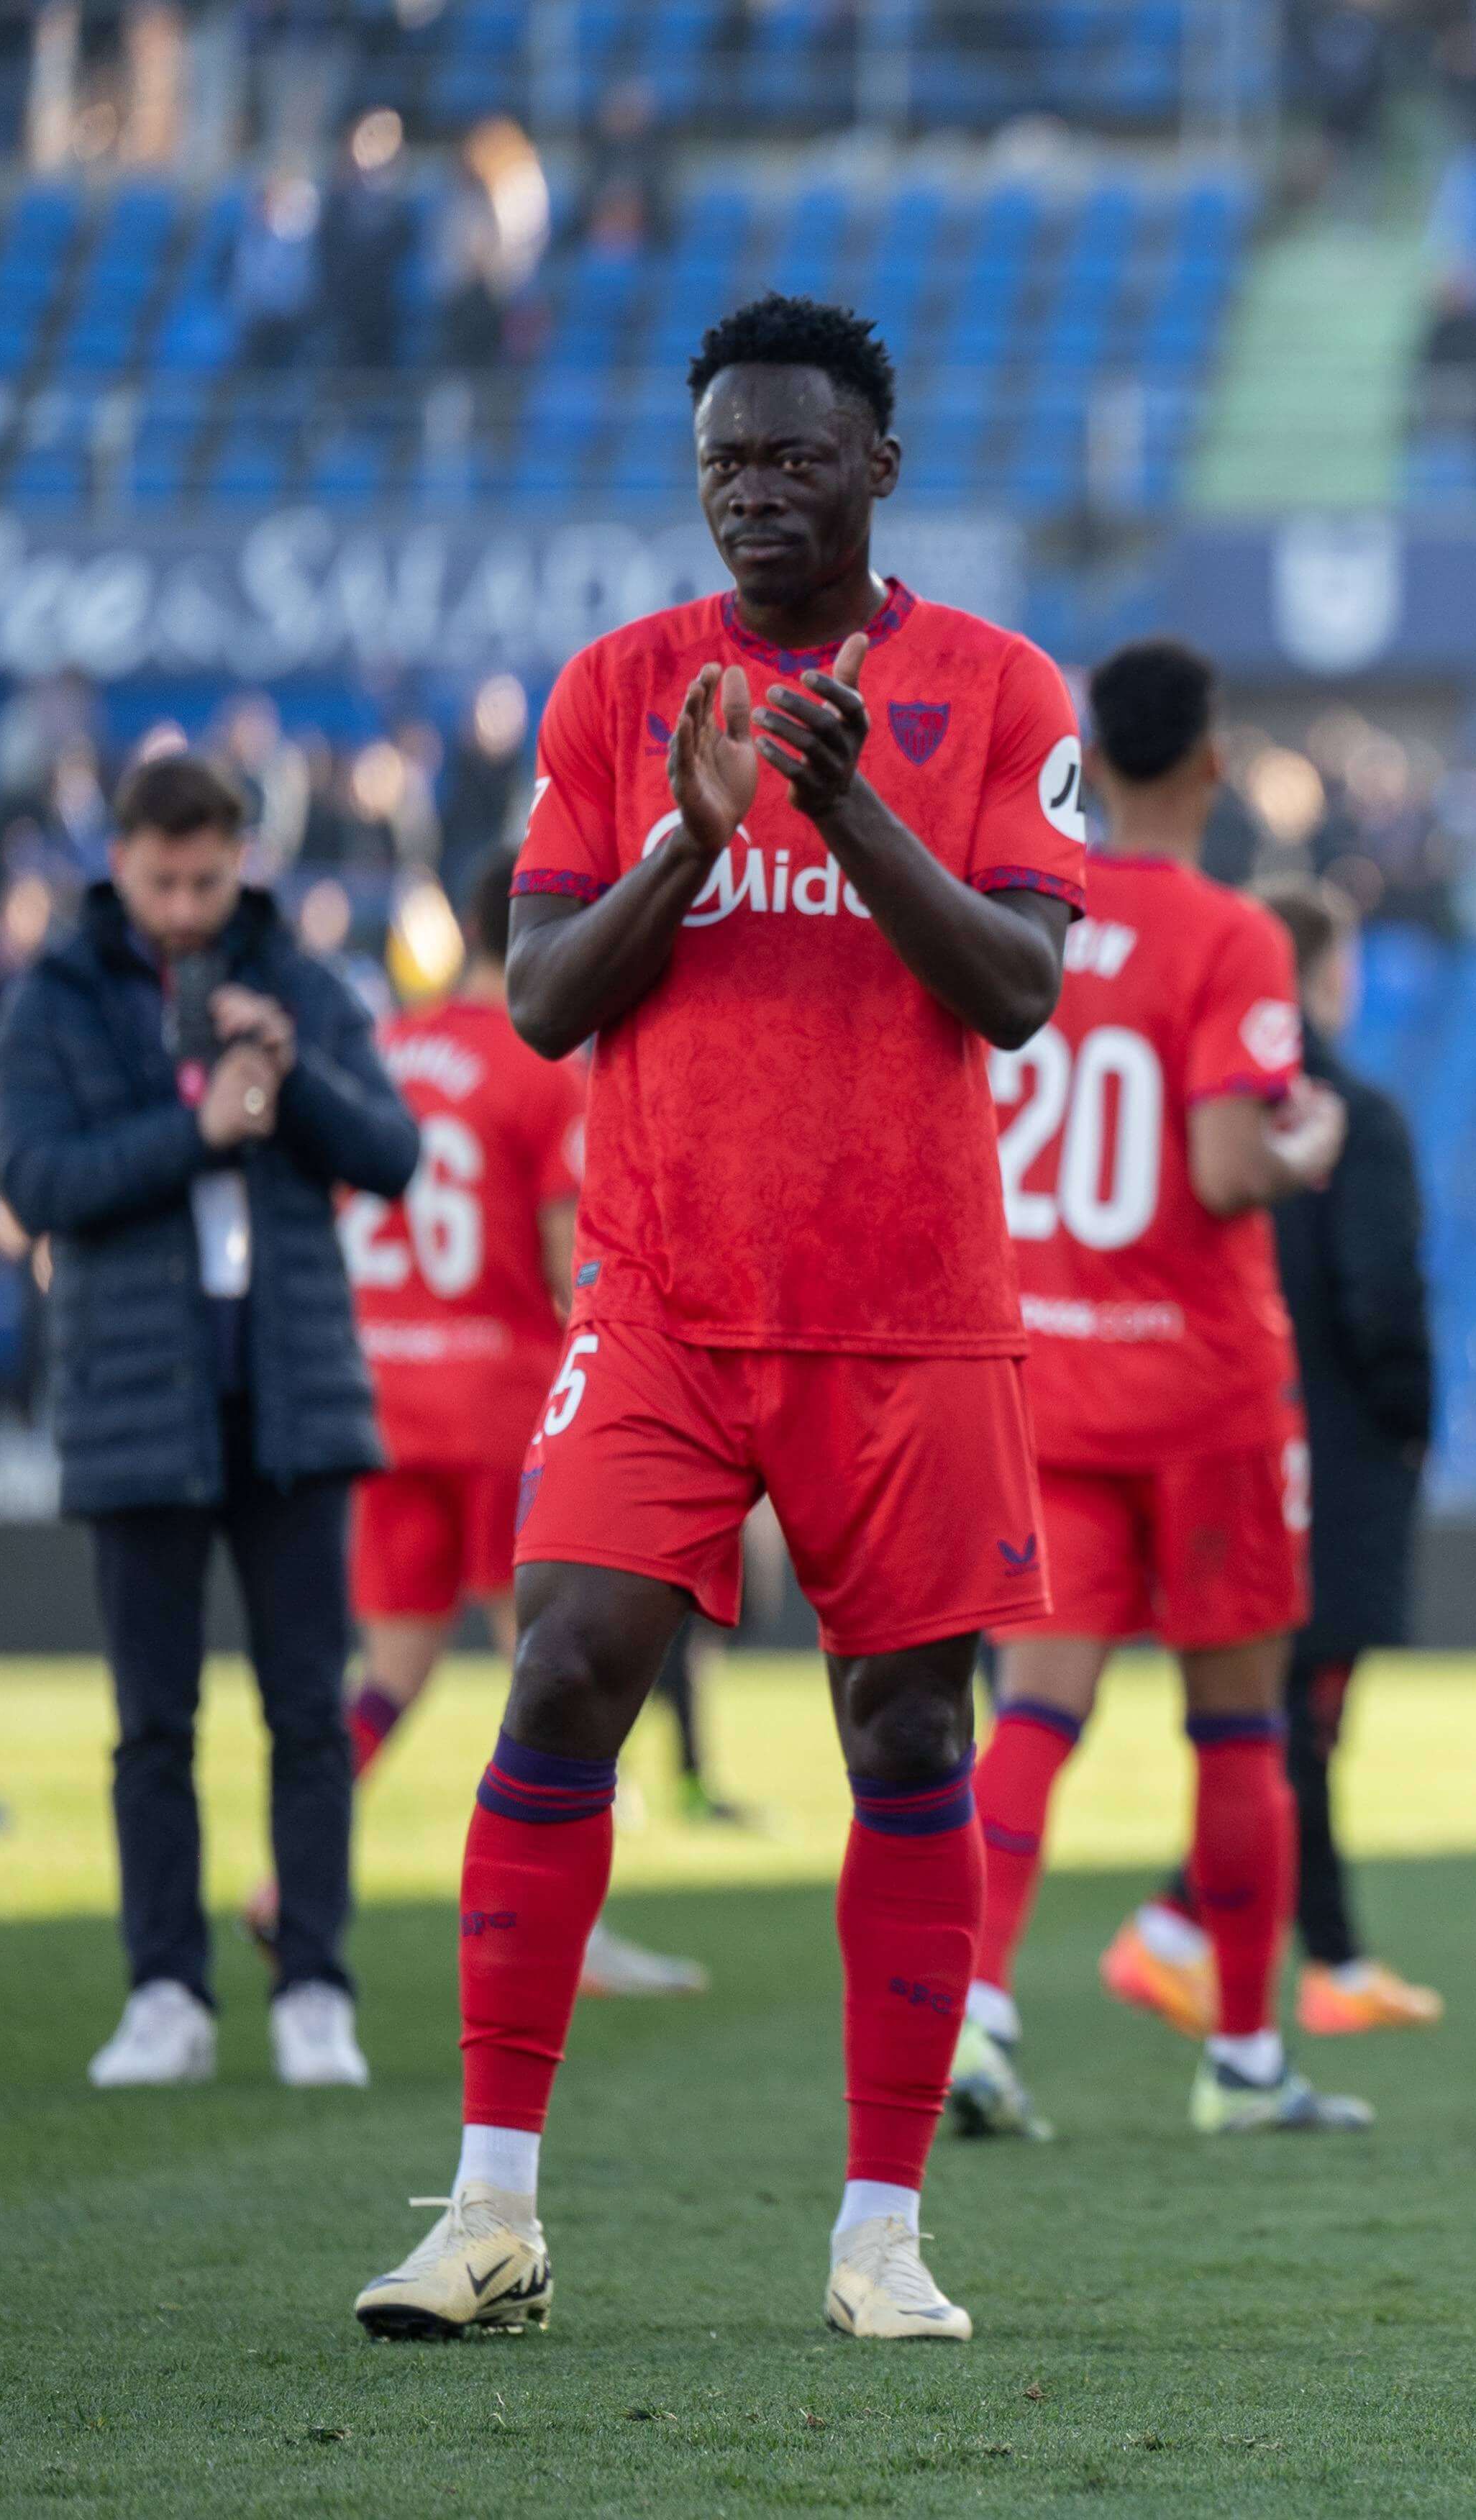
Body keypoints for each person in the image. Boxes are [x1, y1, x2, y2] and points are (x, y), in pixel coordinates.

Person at [353, 294, 1087, 2345]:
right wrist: (692, 828)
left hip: (909, 1311)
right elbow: (544, 999)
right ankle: (491, 2209)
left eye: (793, 458)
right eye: (724, 465)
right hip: (664, 1294)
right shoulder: (619, 690)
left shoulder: (998, 686)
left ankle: (881, 2232)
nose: (754, 493)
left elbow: (1018, 991)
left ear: (879, 469)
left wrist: (848, 810)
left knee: (908, 1732)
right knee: (563, 1668)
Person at [947, 635, 1367, 2145]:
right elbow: (1225, 1165)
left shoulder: (1021, 919)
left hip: (1047, 1375)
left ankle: (973, 2010)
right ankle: (1242, 2058)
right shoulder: (1232, 933)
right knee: (1239, 1726)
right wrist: (1309, 1141)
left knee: (1033, 1713)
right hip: (1200, 1390)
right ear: (1209, 759)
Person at [0, 752, 419, 2091]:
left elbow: (392, 1152)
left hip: (292, 1393)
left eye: (207, 880)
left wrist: (290, 1073)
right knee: (152, 1723)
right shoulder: (55, 996)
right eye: (163, 880)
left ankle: (315, 1989)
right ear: (119, 861)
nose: (184, 906)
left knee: (308, 1714)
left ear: (244, 863)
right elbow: (33, 1180)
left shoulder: (299, 981)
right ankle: (166, 1989)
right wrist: (201, 1127)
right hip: (135, 1399)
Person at [289, 845, 701, 1998]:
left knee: (392, 1666)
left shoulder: (381, 1050)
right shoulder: (541, 1066)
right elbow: (575, 1265)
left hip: (381, 1396)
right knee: (570, 1668)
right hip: (501, 1407)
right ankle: (567, 1928)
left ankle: (286, 1874)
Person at [1105, 878, 1446, 2040]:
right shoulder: (1350, 1114)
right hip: (1331, 1446)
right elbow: (1381, 1293)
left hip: (1225, 1423)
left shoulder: (1193, 1105)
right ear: (1326, 970)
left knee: (1283, 1715)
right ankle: (1240, 1946)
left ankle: (1212, 1933)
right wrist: (1409, 1416)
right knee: (1296, 1715)